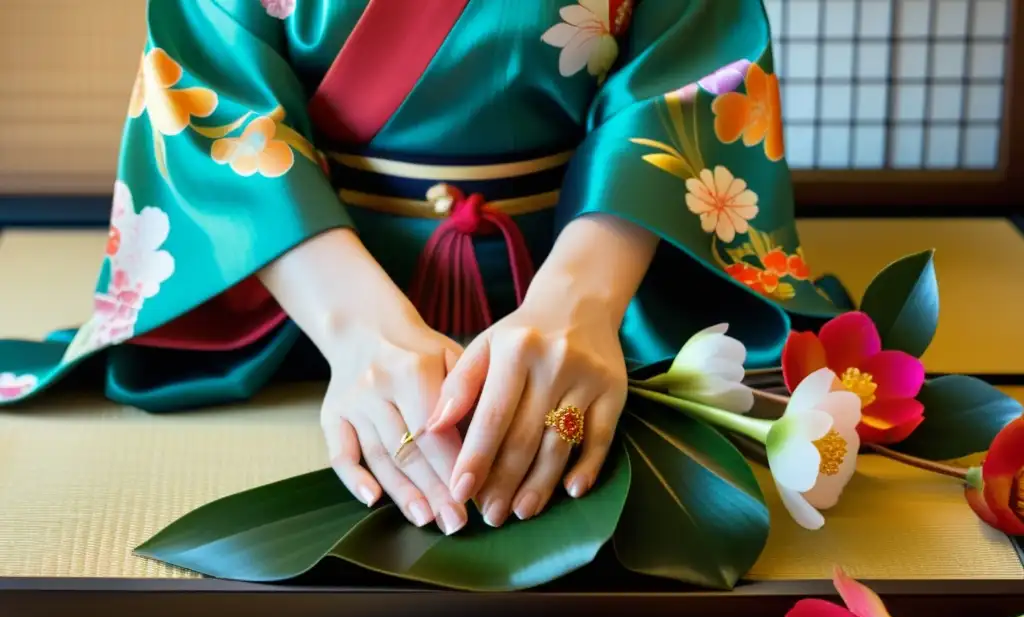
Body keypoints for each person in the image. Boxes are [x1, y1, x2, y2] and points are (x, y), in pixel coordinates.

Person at [0, 0, 842, 535]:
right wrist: (359, 331)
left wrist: (576, 307)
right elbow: (207, 92)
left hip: (599, 268)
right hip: (314, 280)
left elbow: (694, 71)